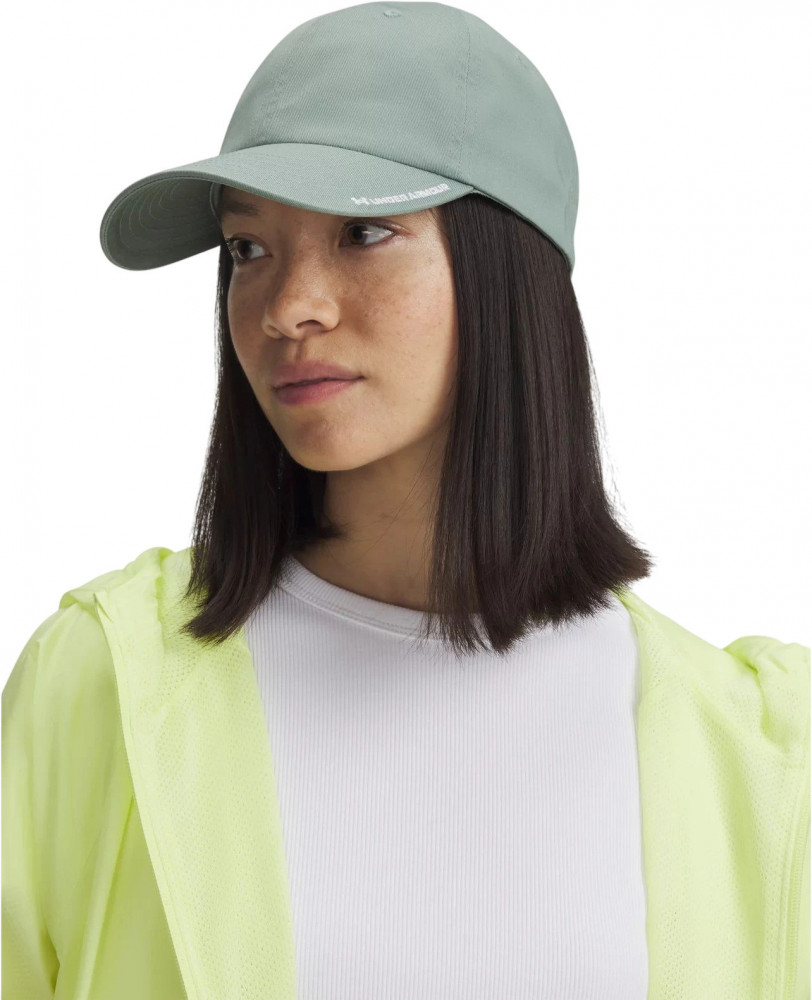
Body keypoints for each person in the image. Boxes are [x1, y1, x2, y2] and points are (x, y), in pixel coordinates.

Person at [3, 3, 809, 999]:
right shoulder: (97, 691)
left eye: (363, 231)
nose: (289, 306)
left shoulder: (765, 759)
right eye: (248, 248)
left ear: (505, 266)